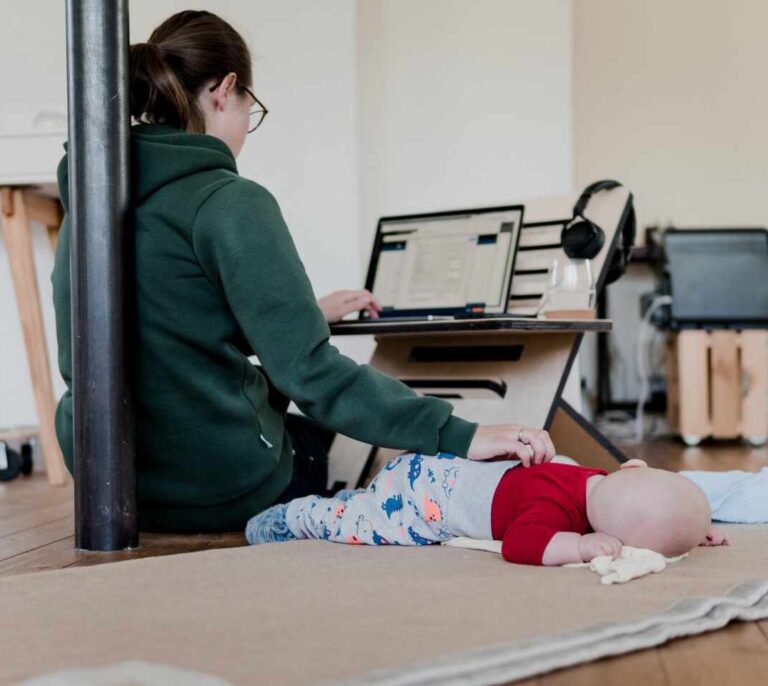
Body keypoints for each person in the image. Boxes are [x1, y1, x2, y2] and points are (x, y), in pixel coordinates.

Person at [52, 10, 554, 533]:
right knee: (324, 445)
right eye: (251, 107)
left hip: (110, 484)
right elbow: (310, 374)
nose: (248, 124)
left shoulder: (93, 202)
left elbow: (171, 328)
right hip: (213, 488)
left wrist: (305, 314)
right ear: (225, 90)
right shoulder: (227, 200)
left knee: (268, 393)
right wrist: (460, 433)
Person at [246, 456, 729, 565]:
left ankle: (357, 498)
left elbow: (651, 504)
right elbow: (520, 546)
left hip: (431, 470)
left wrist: (693, 529)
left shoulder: (596, 476)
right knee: (362, 527)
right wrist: (578, 546)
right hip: (420, 504)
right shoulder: (551, 511)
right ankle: (297, 516)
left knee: (368, 501)